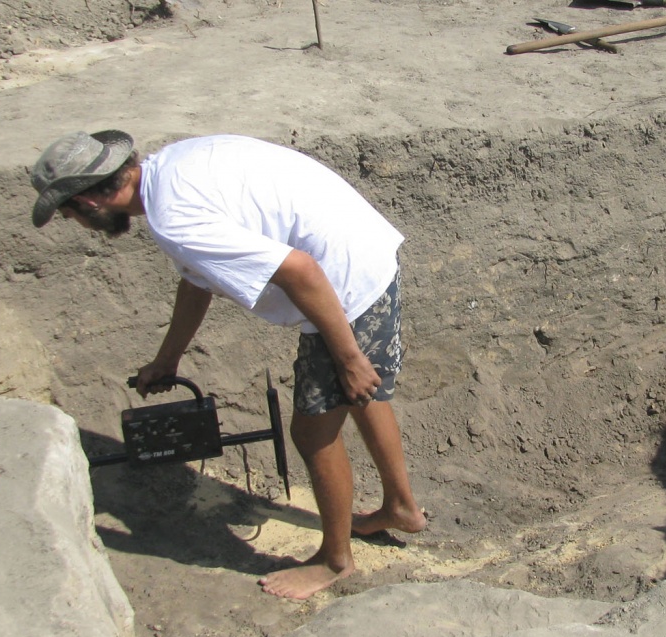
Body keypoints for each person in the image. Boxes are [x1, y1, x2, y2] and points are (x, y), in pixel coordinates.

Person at [30, 130, 426, 599]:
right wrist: (168, 358)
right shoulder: (168, 169)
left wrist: (349, 357)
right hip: (360, 245)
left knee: (312, 430)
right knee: (358, 396)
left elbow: (300, 270)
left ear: (92, 200)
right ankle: (401, 508)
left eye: (68, 212)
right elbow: (196, 281)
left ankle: (334, 561)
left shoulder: (174, 218)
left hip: (340, 281)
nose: (73, 222)